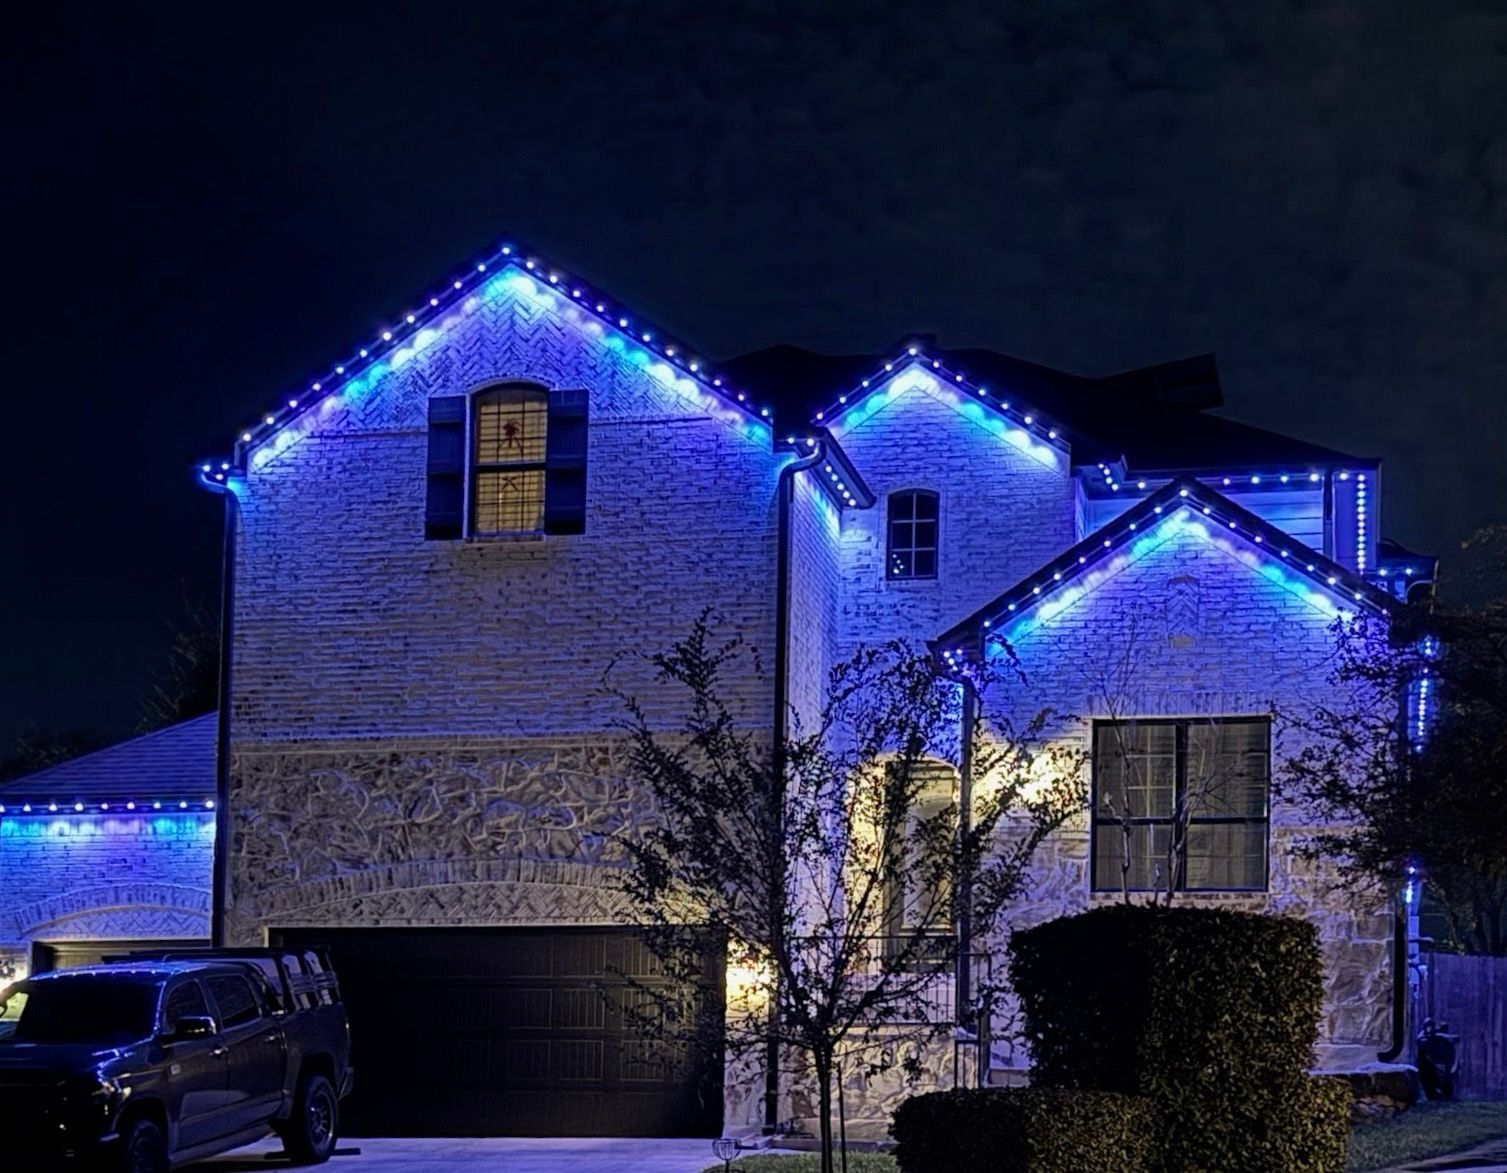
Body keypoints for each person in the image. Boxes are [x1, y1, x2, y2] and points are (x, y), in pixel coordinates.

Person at [1417, 1017, 1457, 1100]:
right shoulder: (1422, 1037)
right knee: (1428, 1082)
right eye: (1427, 1027)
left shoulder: (1438, 1036)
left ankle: (1445, 1094)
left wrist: (1452, 1039)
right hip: (1427, 1065)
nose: (1429, 1029)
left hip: (1439, 1062)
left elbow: (1448, 1038)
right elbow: (1420, 1041)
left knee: (1445, 1079)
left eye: (1431, 1027)